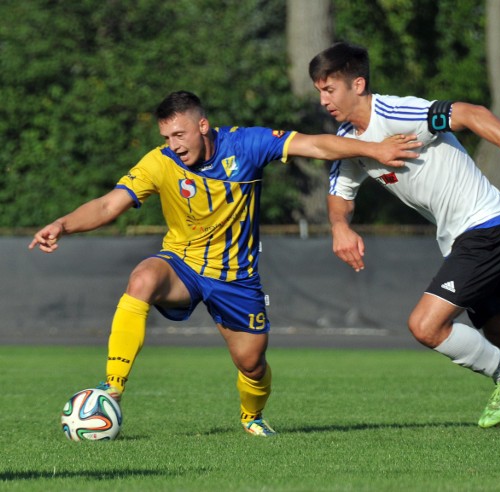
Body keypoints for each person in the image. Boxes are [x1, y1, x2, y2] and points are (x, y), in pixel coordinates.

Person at [29, 90, 420, 437]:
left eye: (179, 135)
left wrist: (374, 149)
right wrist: (63, 224)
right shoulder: (159, 163)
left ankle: (252, 417)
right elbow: (108, 204)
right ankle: (112, 387)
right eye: (166, 138)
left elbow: (316, 146)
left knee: (251, 364)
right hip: (183, 265)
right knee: (144, 277)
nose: (173, 145)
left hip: (236, 279)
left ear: (203, 126)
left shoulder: (246, 145)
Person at [308, 42, 500, 434]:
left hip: (487, 226)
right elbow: (339, 194)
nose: (323, 100)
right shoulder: (350, 142)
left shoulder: (395, 112)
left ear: (357, 84)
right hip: (467, 237)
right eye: (319, 91)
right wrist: (340, 226)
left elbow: (471, 113)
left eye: (329, 89)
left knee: (425, 326)